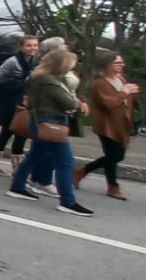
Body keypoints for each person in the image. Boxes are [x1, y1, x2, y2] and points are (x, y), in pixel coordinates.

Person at [7, 48, 94, 216]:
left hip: (41, 120)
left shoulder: (39, 78)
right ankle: (67, 201)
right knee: (65, 162)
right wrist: (75, 103)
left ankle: (17, 186)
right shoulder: (49, 82)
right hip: (52, 122)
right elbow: (68, 102)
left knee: (35, 155)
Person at [76, 51, 140, 201]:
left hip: (121, 123)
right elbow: (108, 104)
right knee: (115, 155)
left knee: (112, 156)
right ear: (107, 65)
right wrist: (124, 93)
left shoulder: (121, 79)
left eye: (122, 63)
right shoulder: (100, 83)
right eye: (118, 63)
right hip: (107, 125)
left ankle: (112, 186)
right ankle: (84, 172)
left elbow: (124, 102)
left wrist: (131, 93)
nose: (122, 65)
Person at [0, 36, 39, 175]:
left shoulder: (33, 62)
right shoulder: (13, 62)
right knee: (15, 133)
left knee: (13, 134)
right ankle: (15, 169)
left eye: (35, 45)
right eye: (29, 45)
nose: (32, 48)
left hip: (22, 103)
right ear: (21, 47)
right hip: (8, 103)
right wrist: (21, 82)